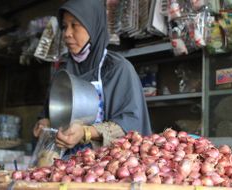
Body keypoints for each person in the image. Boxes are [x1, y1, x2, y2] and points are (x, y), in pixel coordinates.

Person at [33, 0, 152, 155]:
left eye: (75, 25)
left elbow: (131, 124)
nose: (67, 33)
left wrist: (85, 132)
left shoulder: (117, 69)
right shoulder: (63, 72)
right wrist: (45, 124)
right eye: (64, 26)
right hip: (66, 167)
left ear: (93, 25)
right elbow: (50, 115)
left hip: (109, 167)